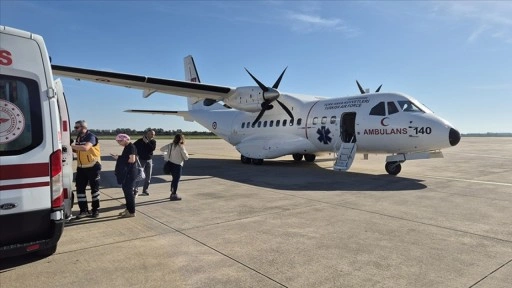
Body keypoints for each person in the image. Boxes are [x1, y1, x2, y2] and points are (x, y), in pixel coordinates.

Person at [71, 120, 101, 218]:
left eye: (76, 127)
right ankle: (83, 210)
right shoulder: (79, 137)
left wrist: (71, 145)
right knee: (79, 189)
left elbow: (85, 148)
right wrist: (70, 146)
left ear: (83, 127)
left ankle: (95, 210)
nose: (75, 129)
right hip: (81, 167)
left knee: (94, 189)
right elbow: (77, 149)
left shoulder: (91, 136)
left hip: (93, 166)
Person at [112, 134, 137, 218]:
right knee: (126, 191)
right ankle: (128, 209)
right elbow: (126, 158)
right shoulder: (127, 147)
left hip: (130, 173)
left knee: (129, 192)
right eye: (118, 141)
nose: (119, 143)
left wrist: (119, 158)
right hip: (127, 173)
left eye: (120, 141)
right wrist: (119, 157)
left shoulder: (131, 147)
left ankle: (132, 212)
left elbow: (132, 160)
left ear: (125, 139)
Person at [164, 134, 189, 201]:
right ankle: (173, 194)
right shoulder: (181, 147)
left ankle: (172, 192)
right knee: (176, 180)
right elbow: (186, 157)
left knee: (174, 179)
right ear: (181, 139)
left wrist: (166, 154)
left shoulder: (170, 145)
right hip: (177, 165)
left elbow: (161, 149)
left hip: (170, 164)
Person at [133, 129, 156, 197]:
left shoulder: (153, 141)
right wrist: (135, 154)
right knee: (139, 175)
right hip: (141, 160)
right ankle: (135, 190)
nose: (153, 135)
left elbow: (152, 149)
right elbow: (133, 146)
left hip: (149, 160)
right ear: (147, 134)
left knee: (148, 176)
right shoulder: (140, 141)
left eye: (153, 134)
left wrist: (146, 142)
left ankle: (145, 190)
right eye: (151, 134)